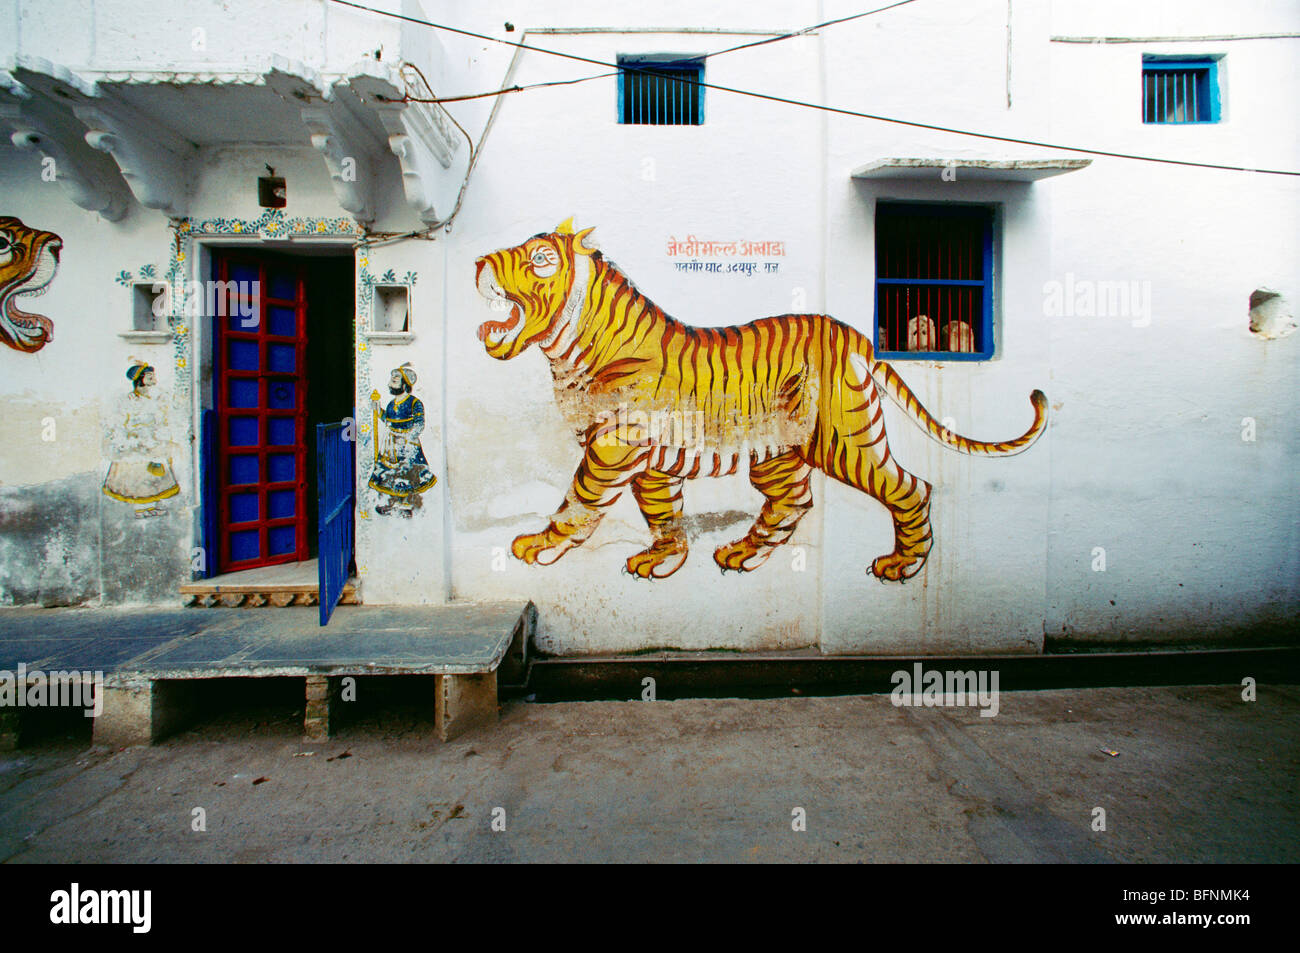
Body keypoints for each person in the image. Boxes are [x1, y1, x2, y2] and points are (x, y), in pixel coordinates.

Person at [102, 360, 180, 517]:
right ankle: (140, 508)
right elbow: (122, 421)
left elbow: (159, 419)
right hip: (135, 442)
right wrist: (128, 439)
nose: (154, 380)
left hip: (152, 440)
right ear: (140, 378)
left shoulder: (154, 399)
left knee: (155, 475)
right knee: (137, 477)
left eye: (153, 377)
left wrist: (160, 435)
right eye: (150, 377)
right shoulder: (128, 400)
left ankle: (153, 505)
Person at [369, 362, 437, 517]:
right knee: (389, 474)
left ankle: (404, 504)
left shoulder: (415, 403)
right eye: (391, 380)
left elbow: (419, 424)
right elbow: (389, 420)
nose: (390, 383)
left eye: (395, 380)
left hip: (407, 444)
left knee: (404, 474)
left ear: (405, 384)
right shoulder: (391, 403)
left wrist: (407, 439)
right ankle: (392, 504)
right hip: (390, 444)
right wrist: (378, 410)